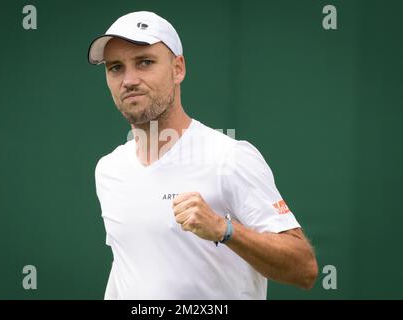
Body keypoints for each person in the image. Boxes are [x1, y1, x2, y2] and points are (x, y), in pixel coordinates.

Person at [88, 11, 318, 300]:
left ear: (178, 68)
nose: (129, 80)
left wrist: (225, 230)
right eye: (115, 68)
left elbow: (303, 268)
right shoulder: (109, 170)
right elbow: (130, 267)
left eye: (144, 62)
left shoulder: (229, 158)